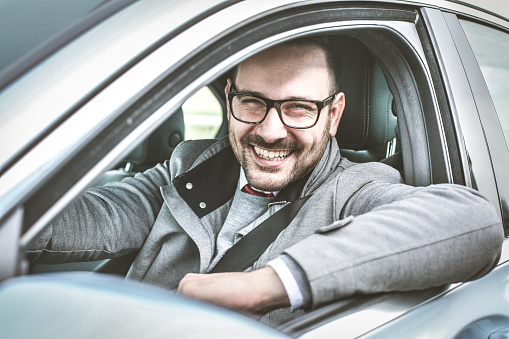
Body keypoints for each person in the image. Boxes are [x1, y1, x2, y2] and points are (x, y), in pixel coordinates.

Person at [26, 37, 503, 325]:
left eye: (299, 107)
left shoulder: (353, 188)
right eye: (254, 102)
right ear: (229, 97)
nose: (271, 130)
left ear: (333, 114)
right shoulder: (187, 167)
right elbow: (88, 217)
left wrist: (269, 285)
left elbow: (473, 223)